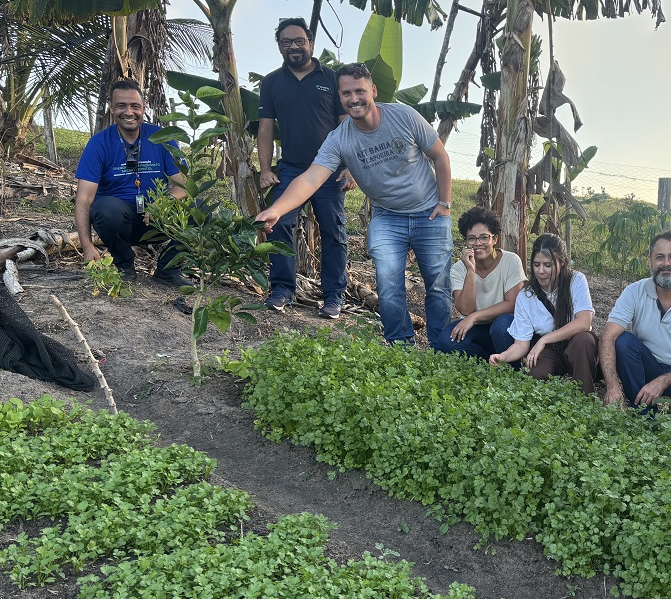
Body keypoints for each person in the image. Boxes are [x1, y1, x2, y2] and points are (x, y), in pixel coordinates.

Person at [255, 63, 454, 346]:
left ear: (372, 90)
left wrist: (444, 203)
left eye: (359, 91)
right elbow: (311, 178)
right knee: (388, 286)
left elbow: (440, 157)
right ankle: (400, 345)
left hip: (429, 211)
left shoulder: (404, 116)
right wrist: (276, 209)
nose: (354, 98)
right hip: (387, 216)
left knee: (437, 284)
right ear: (340, 97)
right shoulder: (339, 138)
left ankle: (442, 347)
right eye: (346, 93)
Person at [257, 17, 355, 319]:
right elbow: (265, 128)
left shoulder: (332, 77)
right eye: (286, 42)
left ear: (310, 43)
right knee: (279, 224)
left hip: (329, 169)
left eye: (299, 40)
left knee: (334, 232)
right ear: (279, 46)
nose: (293, 46)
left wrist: (350, 166)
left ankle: (333, 296)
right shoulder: (271, 81)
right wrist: (264, 168)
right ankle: (283, 289)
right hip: (291, 169)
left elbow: (345, 124)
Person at [74, 79, 189, 287]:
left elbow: (182, 187)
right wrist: (87, 246)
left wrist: (162, 202)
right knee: (105, 208)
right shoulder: (99, 143)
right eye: (121, 106)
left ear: (143, 108)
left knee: (199, 211)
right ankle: (123, 265)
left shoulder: (163, 138)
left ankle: (169, 269)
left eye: (135, 106)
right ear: (111, 108)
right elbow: (84, 199)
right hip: (119, 221)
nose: (129, 112)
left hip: (156, 218)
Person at [600, 230, 671, 409]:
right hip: (648, 367)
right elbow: (608, 336)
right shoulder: (633, 291)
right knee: (623, 341)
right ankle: (643, 411)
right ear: (650, 260)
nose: (666, 264)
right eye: (660, 257)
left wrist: (663, 381)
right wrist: (613, 387)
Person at [489, 233, 598, 393]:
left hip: (577, 346)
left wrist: (543, 340)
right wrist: (503, 356)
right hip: (551, 350)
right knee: (534, 376)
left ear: (562, 262)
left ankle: (585, 395)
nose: (541, 271)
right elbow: (521, 344)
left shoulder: (576, 280)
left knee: (583, 340)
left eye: (548, 265)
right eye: (536, 264)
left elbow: (584, 322)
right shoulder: (526, 296)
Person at [435, 207, 524, 359]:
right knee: (446, 341)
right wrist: (470, 271)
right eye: (472, 238)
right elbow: (466, 310)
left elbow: (513, 304)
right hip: (477, 328)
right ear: (466, 241)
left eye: (484, 237)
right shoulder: (458, 269)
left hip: (505, 326)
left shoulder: (511, 260)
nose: (478, 243)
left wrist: (475, 317)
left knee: (501, 325)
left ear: (494, 239)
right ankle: (488, 362)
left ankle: (510, 368)